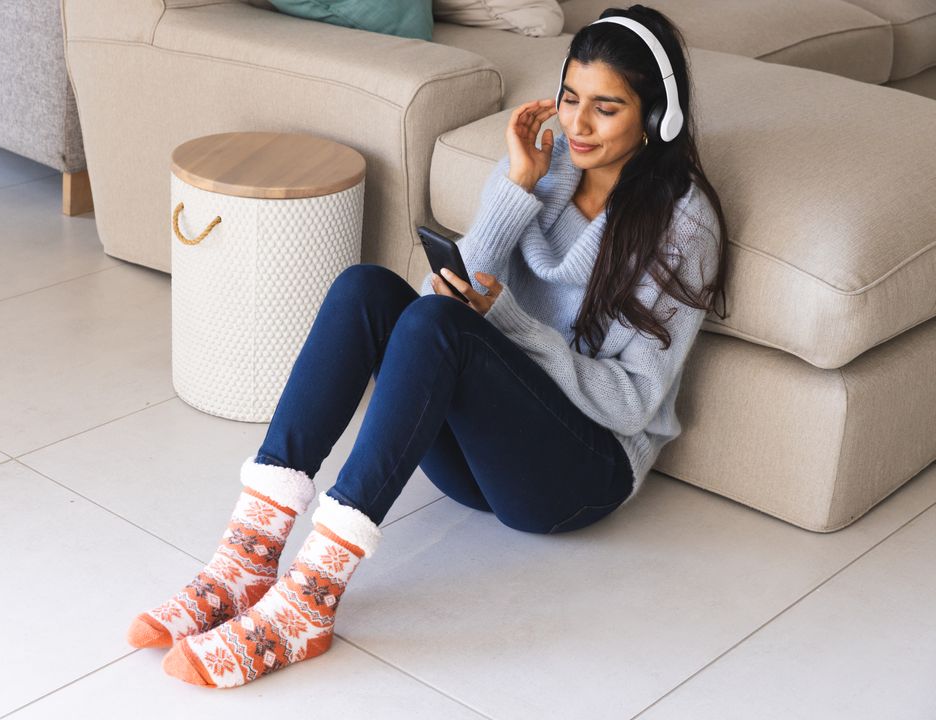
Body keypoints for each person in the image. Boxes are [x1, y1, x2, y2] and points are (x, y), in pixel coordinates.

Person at [127, 3, 730, 688]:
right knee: (367, 291)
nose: (578, 125)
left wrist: (506, 320)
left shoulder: (682, 223)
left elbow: (633, 402)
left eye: (607, 108)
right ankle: (248, 558)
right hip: (484, 464)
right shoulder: (547, 162)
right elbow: (426, 301)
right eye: (570, 99)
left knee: (442, 327)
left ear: (657, 119)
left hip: (580, 477)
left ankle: (308, 600)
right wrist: (517, 186)